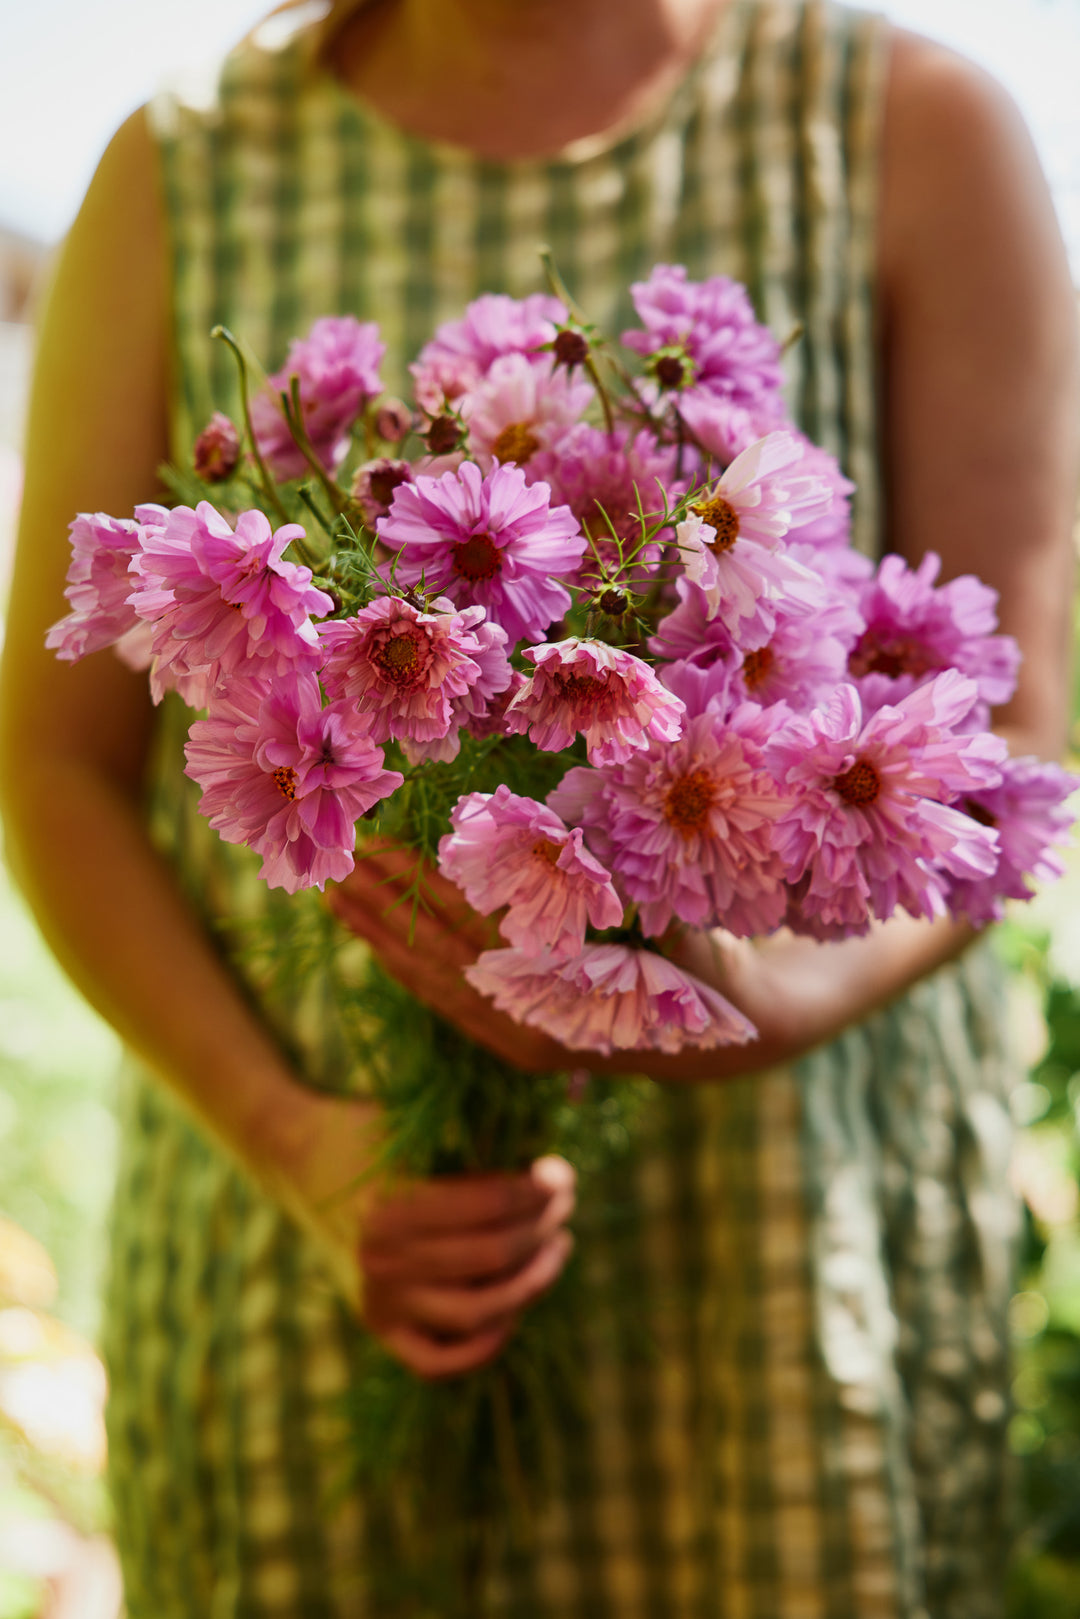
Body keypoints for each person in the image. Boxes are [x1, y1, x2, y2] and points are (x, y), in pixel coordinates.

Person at [1, 0, 1076, 1612]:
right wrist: (303, 1149)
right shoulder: (187, 163)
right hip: (339, 1216)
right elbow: (54, 758)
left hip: (771, 1236)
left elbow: (1010, 741)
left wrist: (763, 998)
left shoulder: (904, 123)